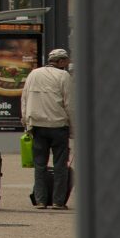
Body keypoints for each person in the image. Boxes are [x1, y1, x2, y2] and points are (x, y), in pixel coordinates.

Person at [22, 48, 73, 210]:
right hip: (58, 126)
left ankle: (41, 200)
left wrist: (26, 122)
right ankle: (58, 201)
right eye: (66, 60)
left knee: (40, 165)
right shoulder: (64, 76)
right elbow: (69, 104)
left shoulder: (33, 74)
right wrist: (74, 129)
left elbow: (25, 99)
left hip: (37, 126)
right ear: (61, 61)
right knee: (60, 165)